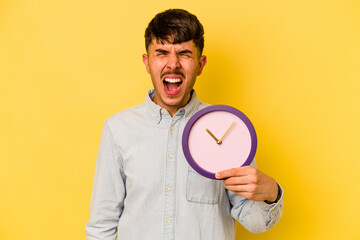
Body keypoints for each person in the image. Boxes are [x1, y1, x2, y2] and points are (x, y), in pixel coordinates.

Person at [86, 9, 283, 240]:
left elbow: (255, 221)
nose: (173, 64)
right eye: (161, 53)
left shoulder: (226, 128)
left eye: (184, 54)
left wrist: (272, 193)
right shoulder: (118, 129)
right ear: (147, 63)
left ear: (200, 64)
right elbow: (102, 226)